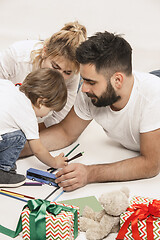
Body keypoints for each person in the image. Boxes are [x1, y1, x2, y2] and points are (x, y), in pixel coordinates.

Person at [21, 31, 160, 192]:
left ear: (118, 80)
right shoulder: (89, 92)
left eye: (91, 82)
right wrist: (13, 149)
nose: (84, 89)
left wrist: (90, 173)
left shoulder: (153, 98)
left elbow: (151, 164)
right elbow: (65, 132)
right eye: (83, 80)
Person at [0, 21, 87, 128]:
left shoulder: (73, 74)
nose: (59, 76)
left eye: (67, 72)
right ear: (44, 51)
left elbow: (59, 118)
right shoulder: (16, 57)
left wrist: (30, 130)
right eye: (55, 67)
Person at [0, 68, 68, 188]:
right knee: (20, 137)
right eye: (50, 110)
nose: (48, 114)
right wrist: (54, 162)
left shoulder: (8, 85)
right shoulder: (28, 114)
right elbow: (38, 149)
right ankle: (3, 171)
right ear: (41, 102)